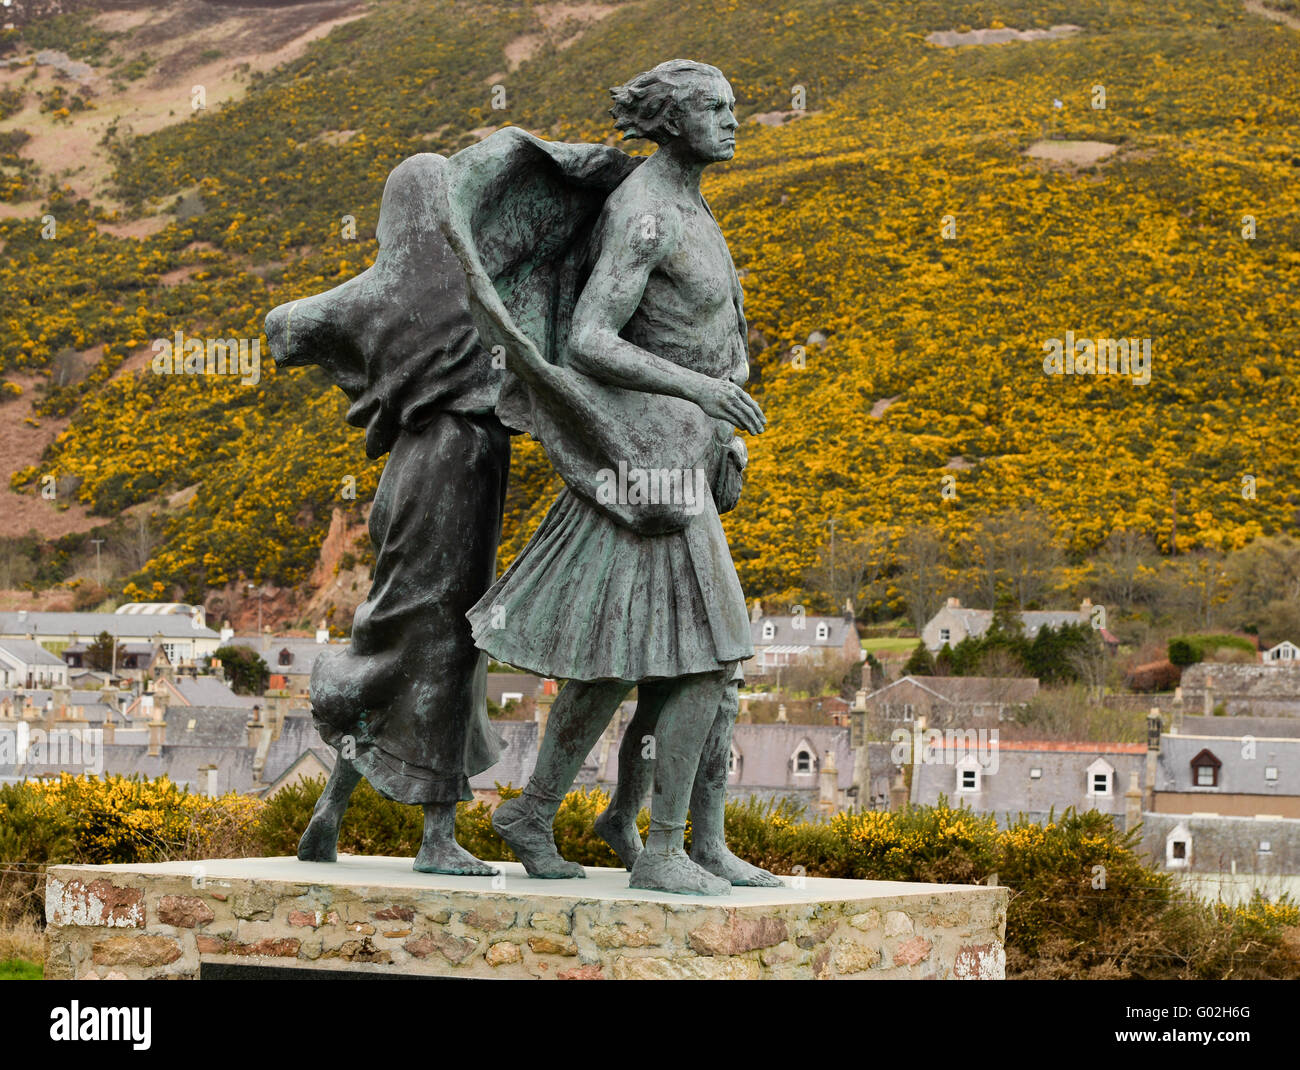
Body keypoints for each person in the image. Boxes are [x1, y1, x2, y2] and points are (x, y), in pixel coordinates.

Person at [465, 60, 769, 895]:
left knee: (617, 658)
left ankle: (542, 814)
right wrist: (700, 390)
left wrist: (721, 428)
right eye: (715, 107)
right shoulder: (644, 212)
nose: (734, 120)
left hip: (683, 457)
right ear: (672, 122)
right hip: (646, 468)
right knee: (711, 659)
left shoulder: (690, 205)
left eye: (733, 105)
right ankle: (667, 850)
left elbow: (708, 333)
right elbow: (592, 340)